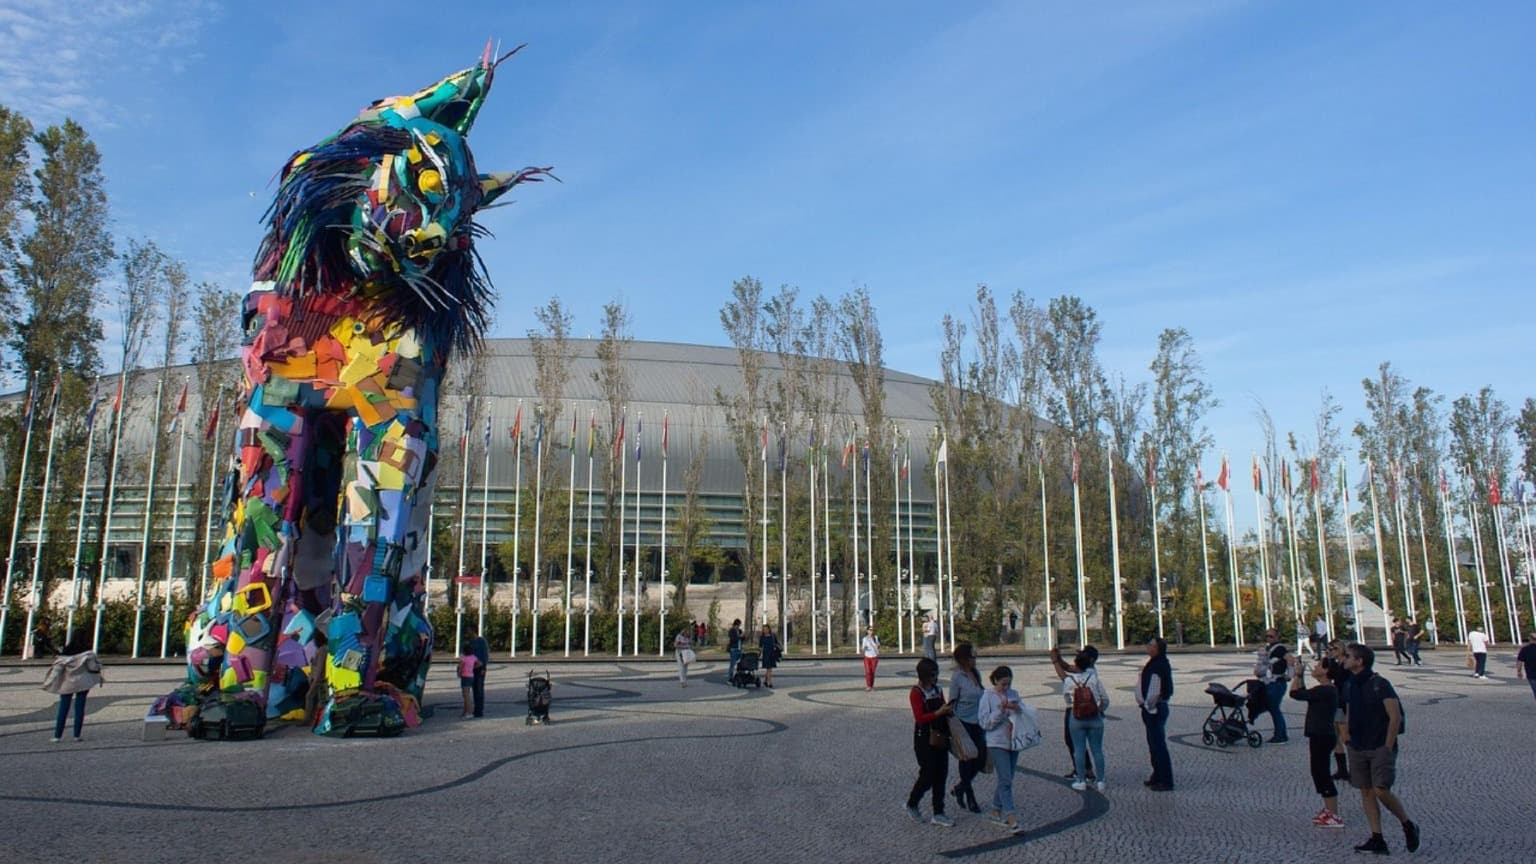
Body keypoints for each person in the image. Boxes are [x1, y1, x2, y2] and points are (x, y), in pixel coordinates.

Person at [1342, 643, 1419, 855]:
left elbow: (1395, 716)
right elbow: (1349, 709)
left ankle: (1407, 823)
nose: (1344, 659)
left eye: (1348, 656)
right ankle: (1377, 838)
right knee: (1365, 790)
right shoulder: (1350, 684)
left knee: (1381, 789)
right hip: (1357, 744)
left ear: (1360, 661)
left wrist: (1388, 745)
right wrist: (1347, 735)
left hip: (1379, 745)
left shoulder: (1380, 684)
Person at [1290, 654, 1344, 829]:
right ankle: (1328, 810)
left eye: (1320, 665)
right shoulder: (1325, 690)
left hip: (1322, 735)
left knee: (1322, 773)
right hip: (1320, 734)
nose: (1316, 667)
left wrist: (1298, 675)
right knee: (1318, 772)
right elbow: (1303, 694)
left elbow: (1295, 694)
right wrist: (1300, 677)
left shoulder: (1326, 690)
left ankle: (1333, 814)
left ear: (1326, 671)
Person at [977, 665, 1029, 835]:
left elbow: (1022, 713)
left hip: (1013, 740)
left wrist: (1017, 708)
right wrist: (1000, 711)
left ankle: (996, 809)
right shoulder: (987, 697)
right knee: (1005, 779)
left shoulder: (1013, 694)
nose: (1006, 688)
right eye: (1003, 684)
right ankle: (1012, 818)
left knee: (1008, 778)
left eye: (1008, 684)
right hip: (997, 742)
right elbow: (984, 723)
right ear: (995, 681)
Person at [906, 657, 956, 827]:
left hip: (940, 735)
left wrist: (947, 710)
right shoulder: (916, 692)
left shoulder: (937, 689)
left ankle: (939, 811)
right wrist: (938, 712)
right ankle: (912, 802)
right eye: (933, 675)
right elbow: (919, 718)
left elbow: (941, 707)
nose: (935, 678)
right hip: (924, 737)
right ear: (924, 675)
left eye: (936, 675)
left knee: (941, 774)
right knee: (928, 774)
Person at [948, 642, 987, 813]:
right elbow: (952, 701)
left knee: (980, 759)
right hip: (964, 723)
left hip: (979, 722)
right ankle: (970, 795)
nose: (975, 659)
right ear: (964, 659)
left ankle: (960, 788)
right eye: (972, 656)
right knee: (967, 759)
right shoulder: (957, 677)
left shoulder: (975, 673)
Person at [1061, 648, 1108, 791]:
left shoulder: (1070, 680)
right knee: (1097, 749)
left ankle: (1081, 779)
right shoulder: (1094, 678)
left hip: (1077, 718)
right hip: (1094, 717)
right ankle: (1100, 780)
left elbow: (1067, 698)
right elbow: (1105, 699)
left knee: (1079, 749)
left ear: (1076, 664)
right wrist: (1099, 710)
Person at [42, 633, 103, 742]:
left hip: (67, 683)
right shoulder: (88, 654)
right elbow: (93, 668)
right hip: (83, 683)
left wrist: (47, 683)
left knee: (63, 708)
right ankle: (77, 735)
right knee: (80, 709)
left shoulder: (65, 653)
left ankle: (57, 735)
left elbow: (56, 671)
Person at [1049, 644, 1097, 780]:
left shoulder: (1089, 672)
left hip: (1076, 709)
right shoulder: (1087, 670)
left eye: (1083, 655)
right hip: (1088, 710)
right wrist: (1058, 658)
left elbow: (1065, 677)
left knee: (1073, 740)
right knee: (1076, 741)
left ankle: (1084, 770)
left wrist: (1054, 661)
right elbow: (1068, 667)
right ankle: (1084, 769)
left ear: (1091, 659)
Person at [1136, 636, 1174, 791]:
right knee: (1153, 744)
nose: (1148, 647)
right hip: (1153, 708)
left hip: (1155, 709)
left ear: (1157, 649)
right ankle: (1157, 775)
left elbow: (1154, 690)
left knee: (1158, 744)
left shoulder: (1158, 665)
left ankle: (1165, 779)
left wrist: (1148, 705)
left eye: (1151, 645)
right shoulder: (1156, 663)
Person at [1255, 627, 1291, 743]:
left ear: (1277, 637)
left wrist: (1289, 675)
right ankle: (1280, 733)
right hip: (1270, 681)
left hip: (1277, 682)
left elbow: (1290, 660)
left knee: (1274, 708)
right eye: (1267, 636)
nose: (1269, 638)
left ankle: (1281, 735)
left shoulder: (1280, 648)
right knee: (1272, 708)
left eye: (1271, 636)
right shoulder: (1268, 648)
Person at [467, 624, 490, 718]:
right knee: (474, 688)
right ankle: (476, 708)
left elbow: (485, 655)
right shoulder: (470, 642)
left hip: (479, 668)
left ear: (473, 631)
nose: (467, 633)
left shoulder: (481, 641)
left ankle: (479, 710)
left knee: (479, 688)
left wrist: (484, 667)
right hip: (472, 668)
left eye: (469, 630)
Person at [457, 650, 480, 718]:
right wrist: (473, 667)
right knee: (466, 695)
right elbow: (479, 663)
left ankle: (469, 712)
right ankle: (465, 711)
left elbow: (460, 667)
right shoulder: (473, 657)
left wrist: (459, 673)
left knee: (466, 695)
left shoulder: (464, 659)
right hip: (471, 676)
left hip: (465, 676)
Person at [1515, 631, 1536, 702]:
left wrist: (1519, 671)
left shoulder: (1525, 649)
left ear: (1530, 639)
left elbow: (1520, 661)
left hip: (1531, 675)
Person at [860, 626, 881, 691]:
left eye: (872, 630)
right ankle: (868, 686)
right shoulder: (864, 639)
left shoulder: (876, 637)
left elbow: (878, 646)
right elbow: (863, 648)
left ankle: (871, 686)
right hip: (867, 657)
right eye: (870, 630)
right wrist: (865, 648)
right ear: (867, 631)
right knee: (868, 671)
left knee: (872, 672)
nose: (871, 631)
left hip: (874, 657)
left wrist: (876, 645)